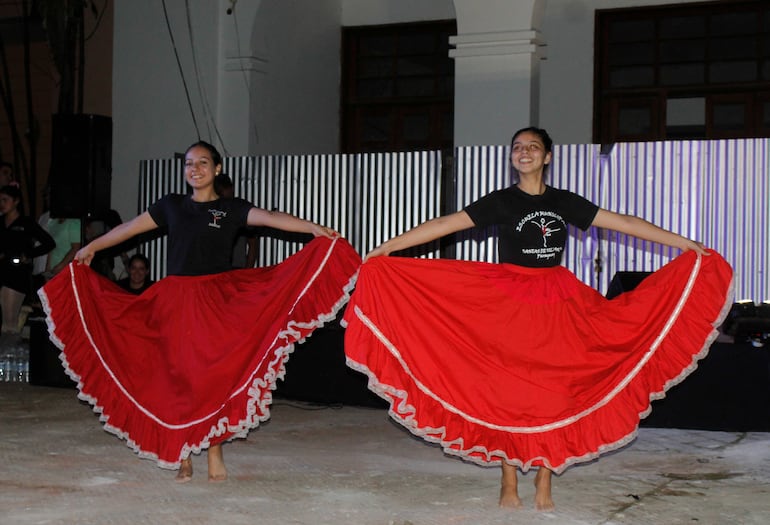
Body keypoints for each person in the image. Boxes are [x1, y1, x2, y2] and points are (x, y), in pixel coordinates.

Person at [342, 127, 733, 511]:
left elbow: (625, 222)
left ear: (547, 157)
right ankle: (509, 478)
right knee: (506, 389)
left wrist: (682, 243)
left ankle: (545, 477)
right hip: (509, 300)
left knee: (556, 387)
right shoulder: (502, 201)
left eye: (532, 146)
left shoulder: (564, 202)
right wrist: (387, 249)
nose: (524, 151)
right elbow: (446, 225)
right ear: (512, 158)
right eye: (517, 147)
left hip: (558, 301)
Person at [39, 141, 360, 483]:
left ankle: (215, 448)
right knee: (178, 377)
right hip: (175, 302)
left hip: (218, 302)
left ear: (217, 169)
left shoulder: (231, 208)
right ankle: (184, 453)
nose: (195, 169)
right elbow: (130, 228)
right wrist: (92, 246)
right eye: (189, 163)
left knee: (215, 376)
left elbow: (271, 218)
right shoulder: (171, 206)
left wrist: (311, 228)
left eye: (203, 162)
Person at [0, 185, 55, 341]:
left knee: (10, 320)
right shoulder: (0, 222)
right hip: (1, 271)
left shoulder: (26, 222)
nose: (2, 204)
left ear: (16, 201)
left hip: (16, 273)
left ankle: (10, 356)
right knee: (3, 318)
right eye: (0, 200)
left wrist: (28, 255)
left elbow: (48, 243)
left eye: (5, 200)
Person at [213, 173, 258, 268]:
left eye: (223, 190)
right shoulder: (212, 210)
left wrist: (247, 271)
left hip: (236, 269)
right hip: (217, 269)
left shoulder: (239, 210)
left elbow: (252, 244)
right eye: (219, 192)